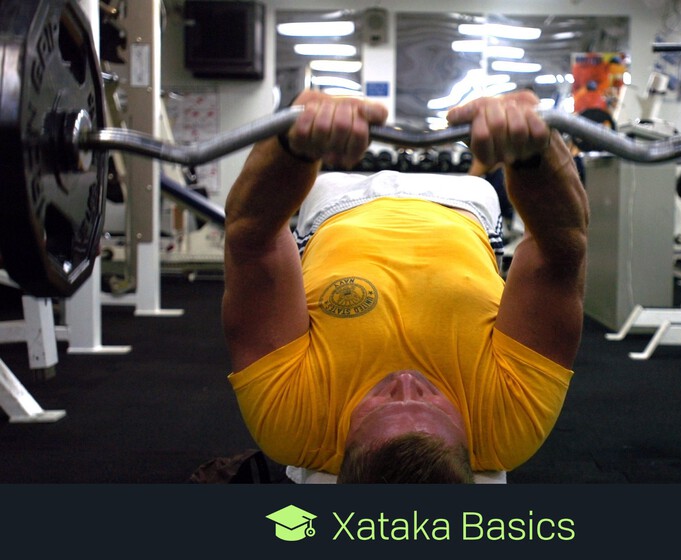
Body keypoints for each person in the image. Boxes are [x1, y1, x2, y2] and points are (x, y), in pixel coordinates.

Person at [222, 89, 589, 483]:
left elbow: (253, 240)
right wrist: (533, 151)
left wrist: (292, 144)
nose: (407, 382)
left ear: (344, 447)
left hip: (337, 205)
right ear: (468, 444)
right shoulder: (508, 422)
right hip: (463, 206)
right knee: (495, 185)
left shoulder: (293, 421)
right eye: (431, 403)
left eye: (385, 401)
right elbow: (559, 250)